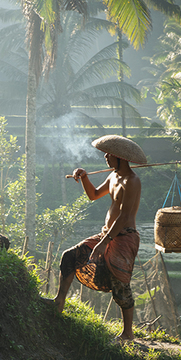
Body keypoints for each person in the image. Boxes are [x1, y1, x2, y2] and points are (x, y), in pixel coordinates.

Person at [53, 134, 146, 342]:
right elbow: (94, 194)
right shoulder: (113, 177)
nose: (105, 157)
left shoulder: (132, 181)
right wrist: (84, 177)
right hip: (106, 234)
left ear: (120, 157)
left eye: (109, 154)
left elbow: (123, 216)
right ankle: (59, 302)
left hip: (124, 237)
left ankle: (127, 333)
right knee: (70, 256)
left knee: (120, 283)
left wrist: (104, 243)